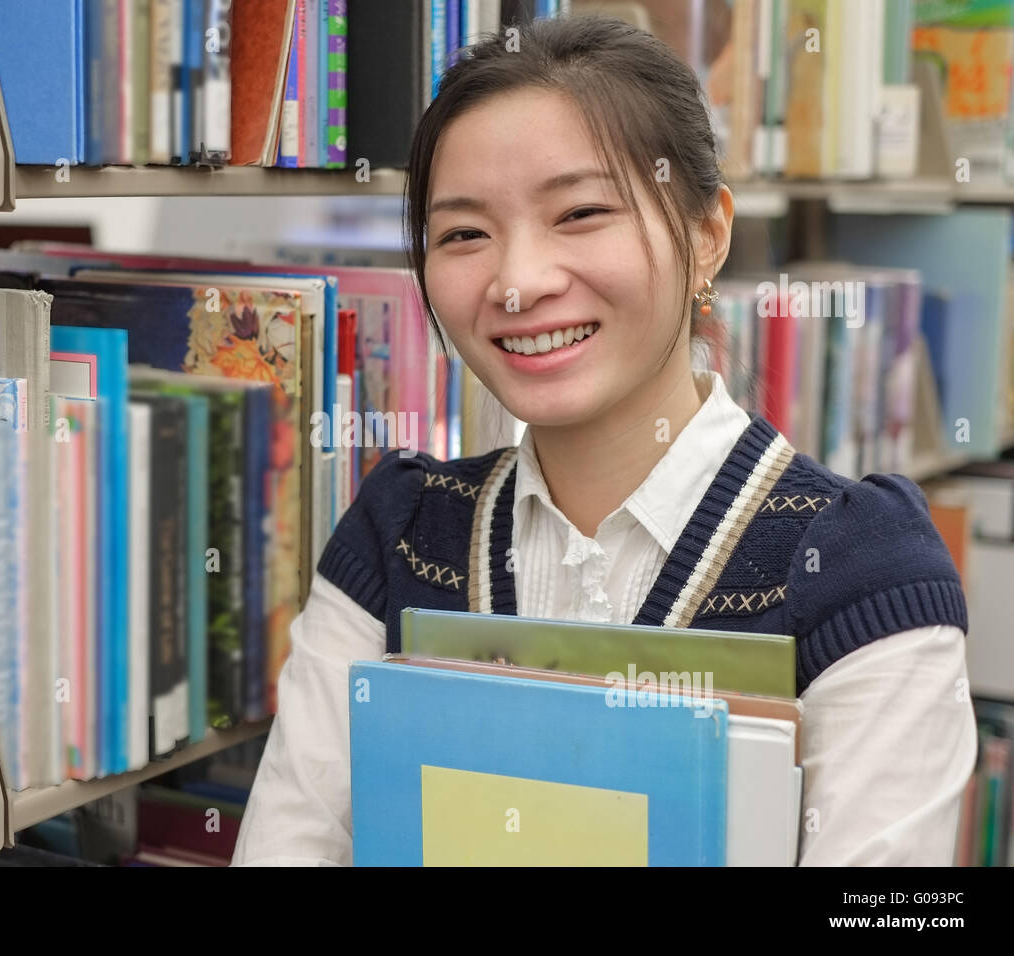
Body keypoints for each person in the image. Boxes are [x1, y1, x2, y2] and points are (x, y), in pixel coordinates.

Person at [231, 15, 976, 866]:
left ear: (708, 235)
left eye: (581, 212)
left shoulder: (865, 569)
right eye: (464, 234)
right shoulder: (399, 532)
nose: (517, 282)